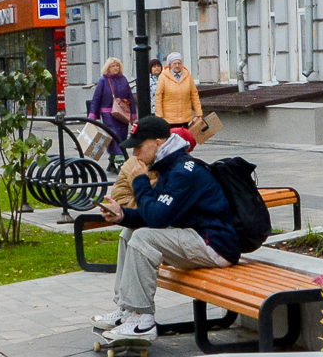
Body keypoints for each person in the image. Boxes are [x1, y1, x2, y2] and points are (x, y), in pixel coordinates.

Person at [92, 115, 241, 343]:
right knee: (129, 233)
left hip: (215, 245)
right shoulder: (169, 166)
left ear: (158, 143)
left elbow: (157, 219)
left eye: (139, 147)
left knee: (143, 238)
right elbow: (155, 214)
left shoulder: (183, 172)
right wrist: (121, 215)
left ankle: (142, 321)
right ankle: (127, 311)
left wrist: (140, 181)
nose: (135, 154)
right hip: (197, 238)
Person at [88, 57, 136, 159]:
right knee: (114, 134)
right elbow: (96, 98)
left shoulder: (123, 79)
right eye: (113, 66)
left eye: (117, 66)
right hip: (108, 114)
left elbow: (130, 97)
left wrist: (133, 114)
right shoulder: (103, 80)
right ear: (108, 68)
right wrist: (92, 115)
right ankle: (120, 158)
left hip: (122, 113)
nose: (115, 68)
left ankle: (112, 160)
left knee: (122, 136)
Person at [155, 52, 209, 140]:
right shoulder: (163, 77)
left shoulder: (187, 76)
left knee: (184, 141)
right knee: (171, 141)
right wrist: (159, 116)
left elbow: (194, 95)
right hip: (169, 118)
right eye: (174, 63)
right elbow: (158, 98)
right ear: (170, 65)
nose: (177, 65)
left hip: (185, 117)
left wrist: (199, 113)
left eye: (179, 63)